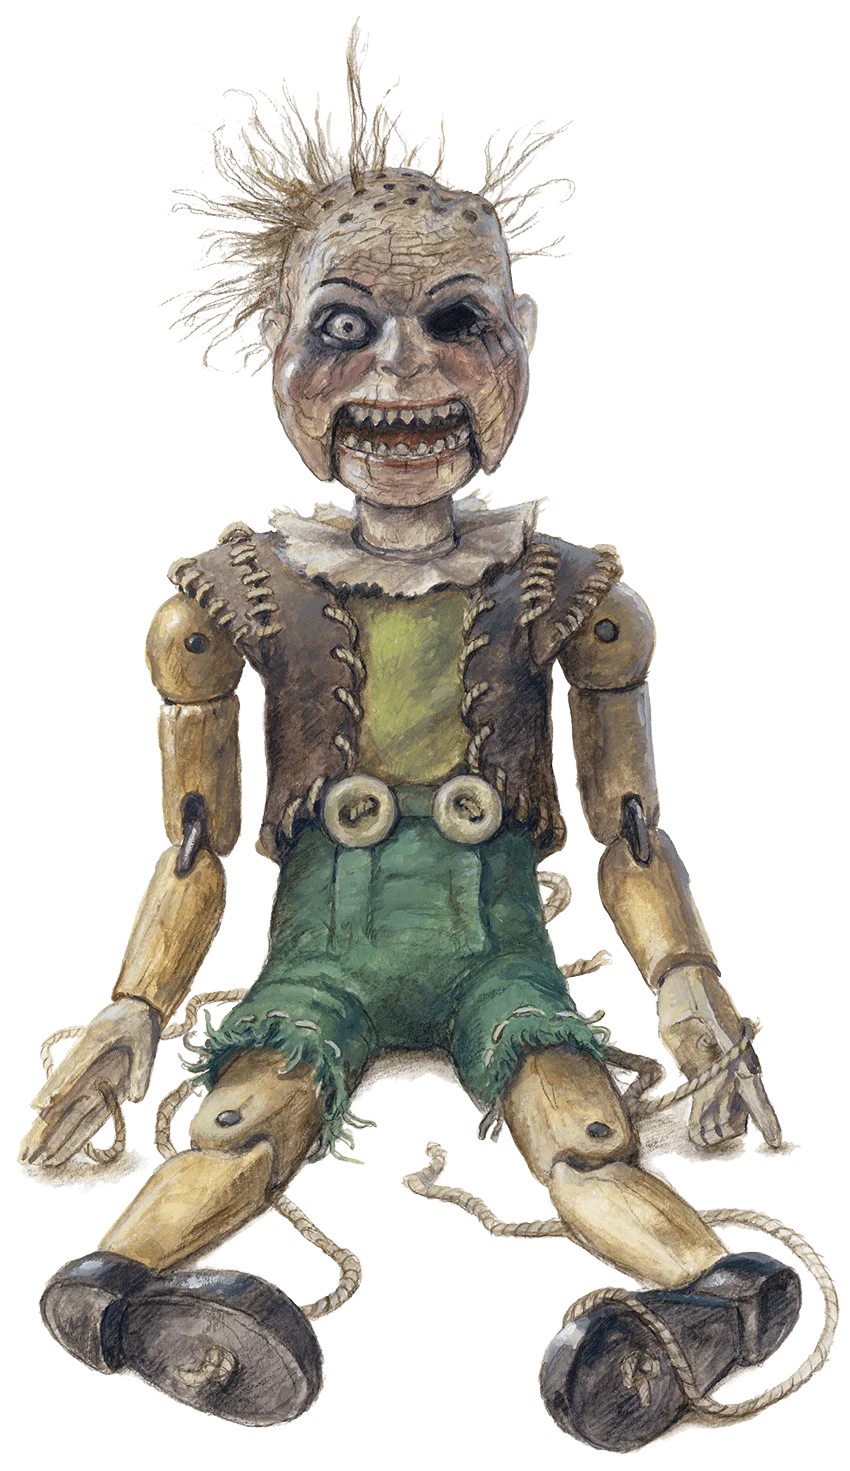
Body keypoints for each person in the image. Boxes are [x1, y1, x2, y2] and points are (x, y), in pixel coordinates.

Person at [18, 88, 798, 1451]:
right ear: (276, 353)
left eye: (456, 321)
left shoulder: (576, 597)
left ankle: (722, 1296)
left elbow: (628, 833)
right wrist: (133, 1016)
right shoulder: (223, 604)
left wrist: (688, 993)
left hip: (502, 957)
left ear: (518, 349)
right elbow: (192, 850)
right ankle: (114, 1292)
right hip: (320, 961)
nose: (402, 370)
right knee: (241, 1126)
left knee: (586, 1137)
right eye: (343, 328)